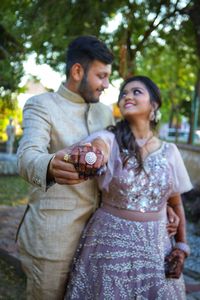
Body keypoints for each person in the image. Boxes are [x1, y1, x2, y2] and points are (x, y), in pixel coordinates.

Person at [64, 75, 192, 299]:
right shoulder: (110, 139)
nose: (127, 96)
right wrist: (93, 155)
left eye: (136, 92)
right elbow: (98, 148)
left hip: (157, 247)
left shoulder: (170, 151)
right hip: (110, 245)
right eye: (123, 93)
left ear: (154, 105)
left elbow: (176, 202)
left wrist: (181, 247)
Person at [17, 35, 115, 300]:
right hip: (53, 241)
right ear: (77, 71)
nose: (106, 85)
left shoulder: (105, 112)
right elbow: (27, 156)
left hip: (98, 241)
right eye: (101, 76)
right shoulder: (41, 106)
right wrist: (50, 165)